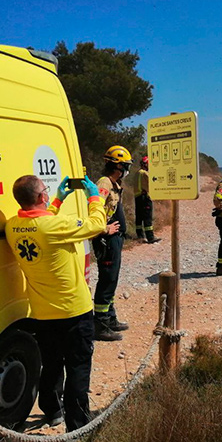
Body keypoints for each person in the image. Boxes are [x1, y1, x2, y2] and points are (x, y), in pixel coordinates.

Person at [5, 174, 113, 431]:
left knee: (51, 363)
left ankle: (52, 410)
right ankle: (78, 426)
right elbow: (97, 224)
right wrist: (94, 197)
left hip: (43, 312)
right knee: (77, 366)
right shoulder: (56, 227)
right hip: (74, 310)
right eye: (45, 190)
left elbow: (41, 222)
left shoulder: (13, 226)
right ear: (41, 196)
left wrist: (56, 201)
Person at [93, 145, 132, 341]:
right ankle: (100, 324)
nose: (127, 170)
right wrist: (104, 229)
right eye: (126, 166)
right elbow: (94, 207)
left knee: (112, 279)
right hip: (106, 239)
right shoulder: (104, 183)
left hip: (114, 239)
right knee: (107, 280)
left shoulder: (114, 184)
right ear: (117, 166)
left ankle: (110, 318)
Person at [133, 156, 161, 243]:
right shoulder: (145, 173)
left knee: (139, 217)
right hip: (145, 197)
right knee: (147, 217)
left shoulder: (136, 173)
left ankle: (140, 235)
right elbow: (152, 184)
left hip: (137, 197)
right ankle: (150, 237)